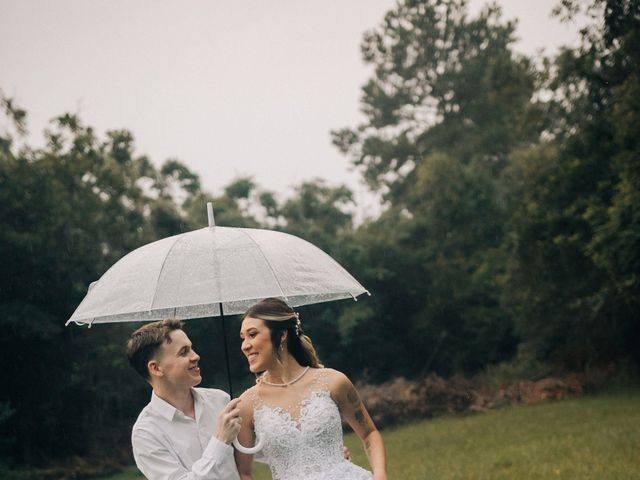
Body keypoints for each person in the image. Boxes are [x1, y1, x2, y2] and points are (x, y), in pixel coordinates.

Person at [235, 298, 388, 480]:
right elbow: (243, 473)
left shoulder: (333, 381)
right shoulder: (246, 404)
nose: (245, 346)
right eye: (243, 338)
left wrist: (380, 476)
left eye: (253, 334)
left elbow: (370, 434)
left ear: (282, 334)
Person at [127, 318, 242, 480]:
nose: (195, 356)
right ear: (156, 368)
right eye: (184, 352)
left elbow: (255, 451)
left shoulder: (220, 400)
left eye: (191, 349)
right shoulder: (146, 433)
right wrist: (221, 441)